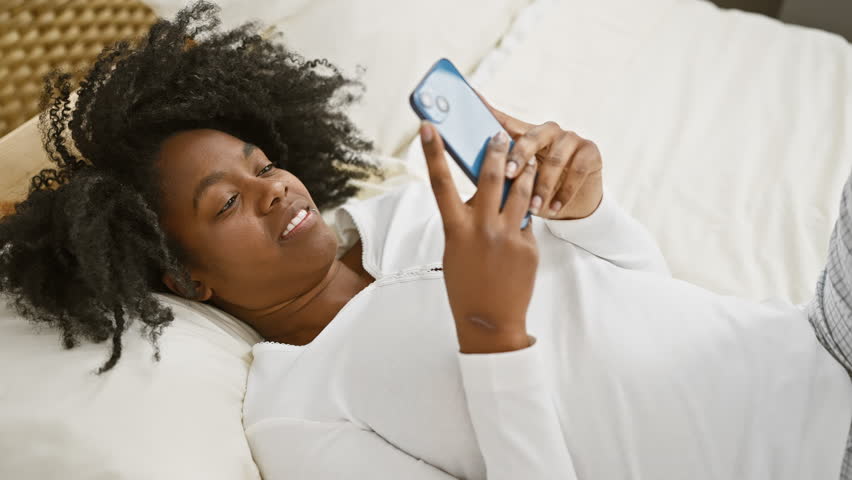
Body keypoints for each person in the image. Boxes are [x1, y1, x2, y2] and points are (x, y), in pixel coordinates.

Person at [0, 2, 849, 479]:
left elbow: (648, 310)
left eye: (262, 164)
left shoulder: (412, 210)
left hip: (817, 341)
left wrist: (592, 213)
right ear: (191, 284)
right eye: (228, 203)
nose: (274, 188)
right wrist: (492, 336)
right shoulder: (297, 418)